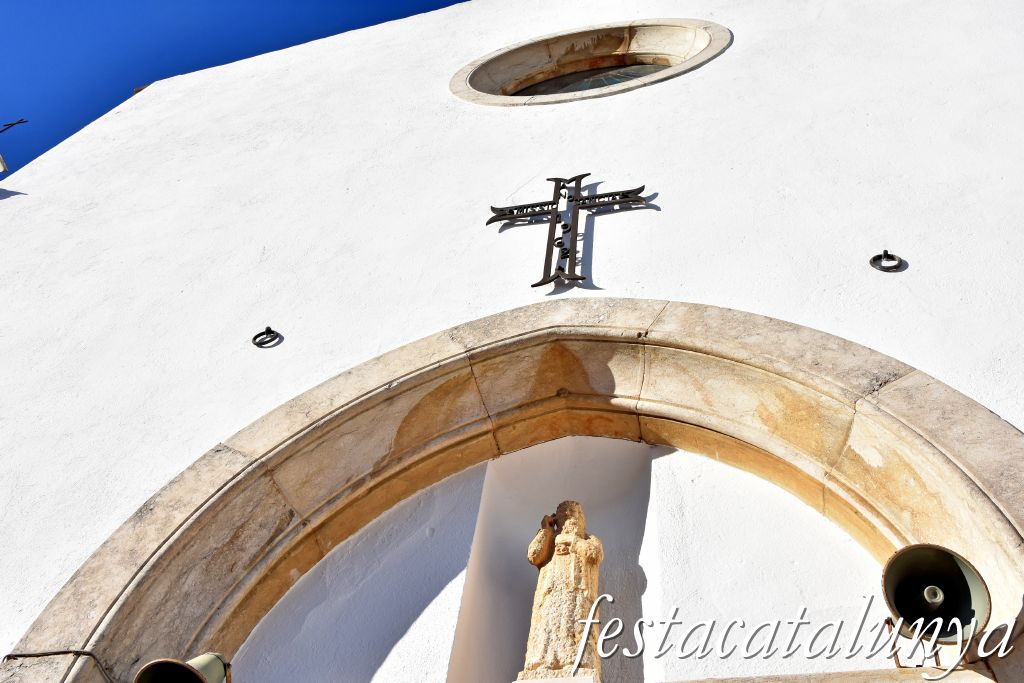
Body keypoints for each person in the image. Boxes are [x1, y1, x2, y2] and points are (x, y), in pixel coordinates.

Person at [518, 500, 604, 681]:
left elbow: (595, 553)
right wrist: (546, 531)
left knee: (576, 625)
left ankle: (576, 662)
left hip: (578, 594)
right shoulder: (549, 538)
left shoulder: (588, 539)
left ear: (581, 518)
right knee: (548, 629)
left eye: (572, 513)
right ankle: (543, 663)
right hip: (550, 595)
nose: (567, 516)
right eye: (562, 514)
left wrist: (571, 541)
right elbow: (534, 555)